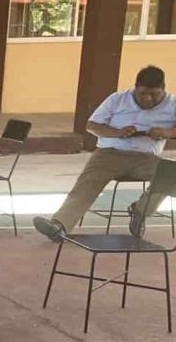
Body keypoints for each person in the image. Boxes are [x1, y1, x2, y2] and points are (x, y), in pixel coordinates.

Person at [34, 65, 176, 240]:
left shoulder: (173, 103)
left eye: (154, 94)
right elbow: (92, 126)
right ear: (135, 88)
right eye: (143, 93)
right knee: (87, 184)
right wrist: (117, 132)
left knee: (171, 175)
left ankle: (140, 210)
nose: (148, 98)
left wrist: (166, 132)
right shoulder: (117, 99)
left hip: (146, 157)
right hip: (110, 154)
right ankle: (59, 225)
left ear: (164, 89)